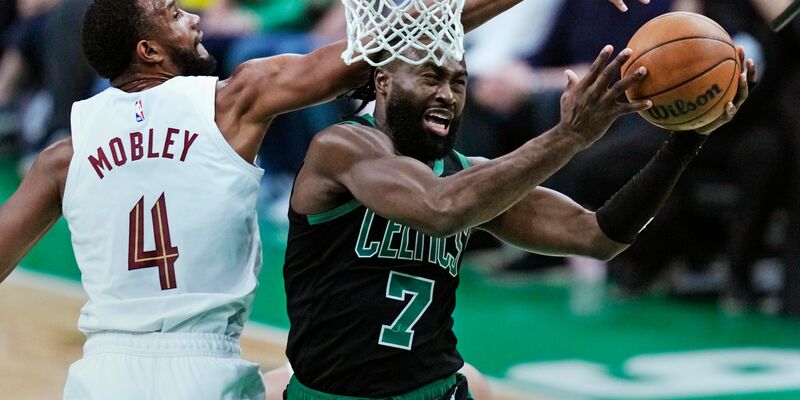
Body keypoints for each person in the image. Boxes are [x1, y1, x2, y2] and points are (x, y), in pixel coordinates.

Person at [0, 0, 538, 398]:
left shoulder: (63, 156)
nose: (194, 15)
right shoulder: (234, 101)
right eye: (173, 13)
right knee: (469, 384)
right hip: (203, 374)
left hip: (99, 378)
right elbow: (398, 41)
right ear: (149, 51)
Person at [282, 37, 756, 398]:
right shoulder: (341, 146)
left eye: (459, 81)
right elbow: (439, 208)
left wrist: (686, 140)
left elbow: (595, 235)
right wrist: (570, 136)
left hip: (435, 389)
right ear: (383, 81)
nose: (448, 94)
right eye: (431, 77)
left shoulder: (469, 177)